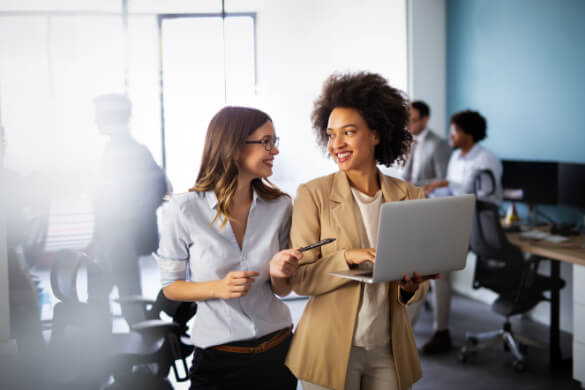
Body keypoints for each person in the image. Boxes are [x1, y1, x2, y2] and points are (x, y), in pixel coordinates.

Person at [285, 72, 438, 390]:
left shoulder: (410, 196)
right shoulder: (313, 195)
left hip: (389, 349)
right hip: (329, 347)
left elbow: (418, 288)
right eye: (330, 134)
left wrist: (412, 285)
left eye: (348, 132)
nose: (336, 144)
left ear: (376, 134)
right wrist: (348, 257)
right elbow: (300, 279)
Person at [155, 106, 300, 389]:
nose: (274, 151)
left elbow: (283, 290)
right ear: (233, 147)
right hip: (218, 361)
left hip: (278, 352)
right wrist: (217, 288)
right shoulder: (184, 210)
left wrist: (280, 271)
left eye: (275, 142)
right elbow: (170, 286)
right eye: (266, 142)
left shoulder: (280, 206)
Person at [419, 109, 503, 354]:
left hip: (476, 225)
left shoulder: (486, 160)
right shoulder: (456, 158)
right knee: (429, 266)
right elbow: (454, 193)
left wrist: (446, 184)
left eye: (454, 130)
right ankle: (432, 330)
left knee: (438, 268)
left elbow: (478, 194)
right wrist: (432, 190)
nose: (450, 135)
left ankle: (441, 332)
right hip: (454, 220)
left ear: (468, 133)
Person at [88, 93, 168, 325]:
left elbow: (158, 188)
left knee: (127, 298)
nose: (96, 121)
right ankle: (116, 348)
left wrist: (128, 218)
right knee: (105, 296)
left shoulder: (130, 152)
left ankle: (148, 350)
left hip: (118, 236)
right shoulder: (115, 150)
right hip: (111, 236)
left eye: (99, 116)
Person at [403, 100, 451, 186]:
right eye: (407, 121)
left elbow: (442, 179)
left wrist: (414, 185)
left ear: (425, 120)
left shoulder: (438, 144)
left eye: (413, 120)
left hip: (426, 196)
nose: (409, 125)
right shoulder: (409, 141)